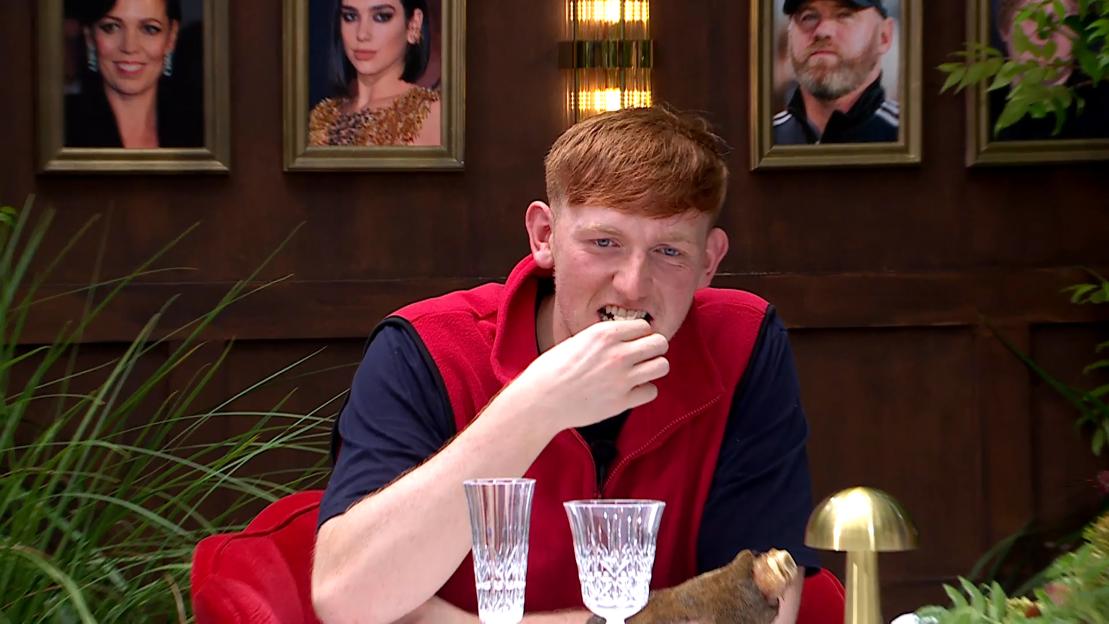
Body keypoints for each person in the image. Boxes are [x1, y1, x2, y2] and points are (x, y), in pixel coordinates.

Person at [311, 106, 820, 624]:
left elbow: (763, 602)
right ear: (543, 236)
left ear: (709, 261)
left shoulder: (744, 342)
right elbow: (349, 601)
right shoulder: (425, 347)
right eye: (604, 243)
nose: (632, 284)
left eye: (669, 251)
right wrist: (535, 406)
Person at [66, 0, 201, 148]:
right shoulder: (55, 128)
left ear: (171, 37)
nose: (129, 47)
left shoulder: (201, 133)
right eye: (111, 27)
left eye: (150, 29)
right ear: (89, 36)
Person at [308, 0, 441, 147]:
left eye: (381, 17)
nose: (362, 34)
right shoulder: (321, 118)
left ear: (413, 24)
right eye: (350, 17)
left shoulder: (433, 114)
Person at [773, 0, 899, 144]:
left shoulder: (913, 139)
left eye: (844, 15)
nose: (822, 31)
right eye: (808, 17)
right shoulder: (758, 144)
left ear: (884, 36)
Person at [991, 0, 1109, 140]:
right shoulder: (978, 107)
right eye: (1032, 16)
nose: (1044, 33)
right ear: (1004, 29)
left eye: (1060, 20)